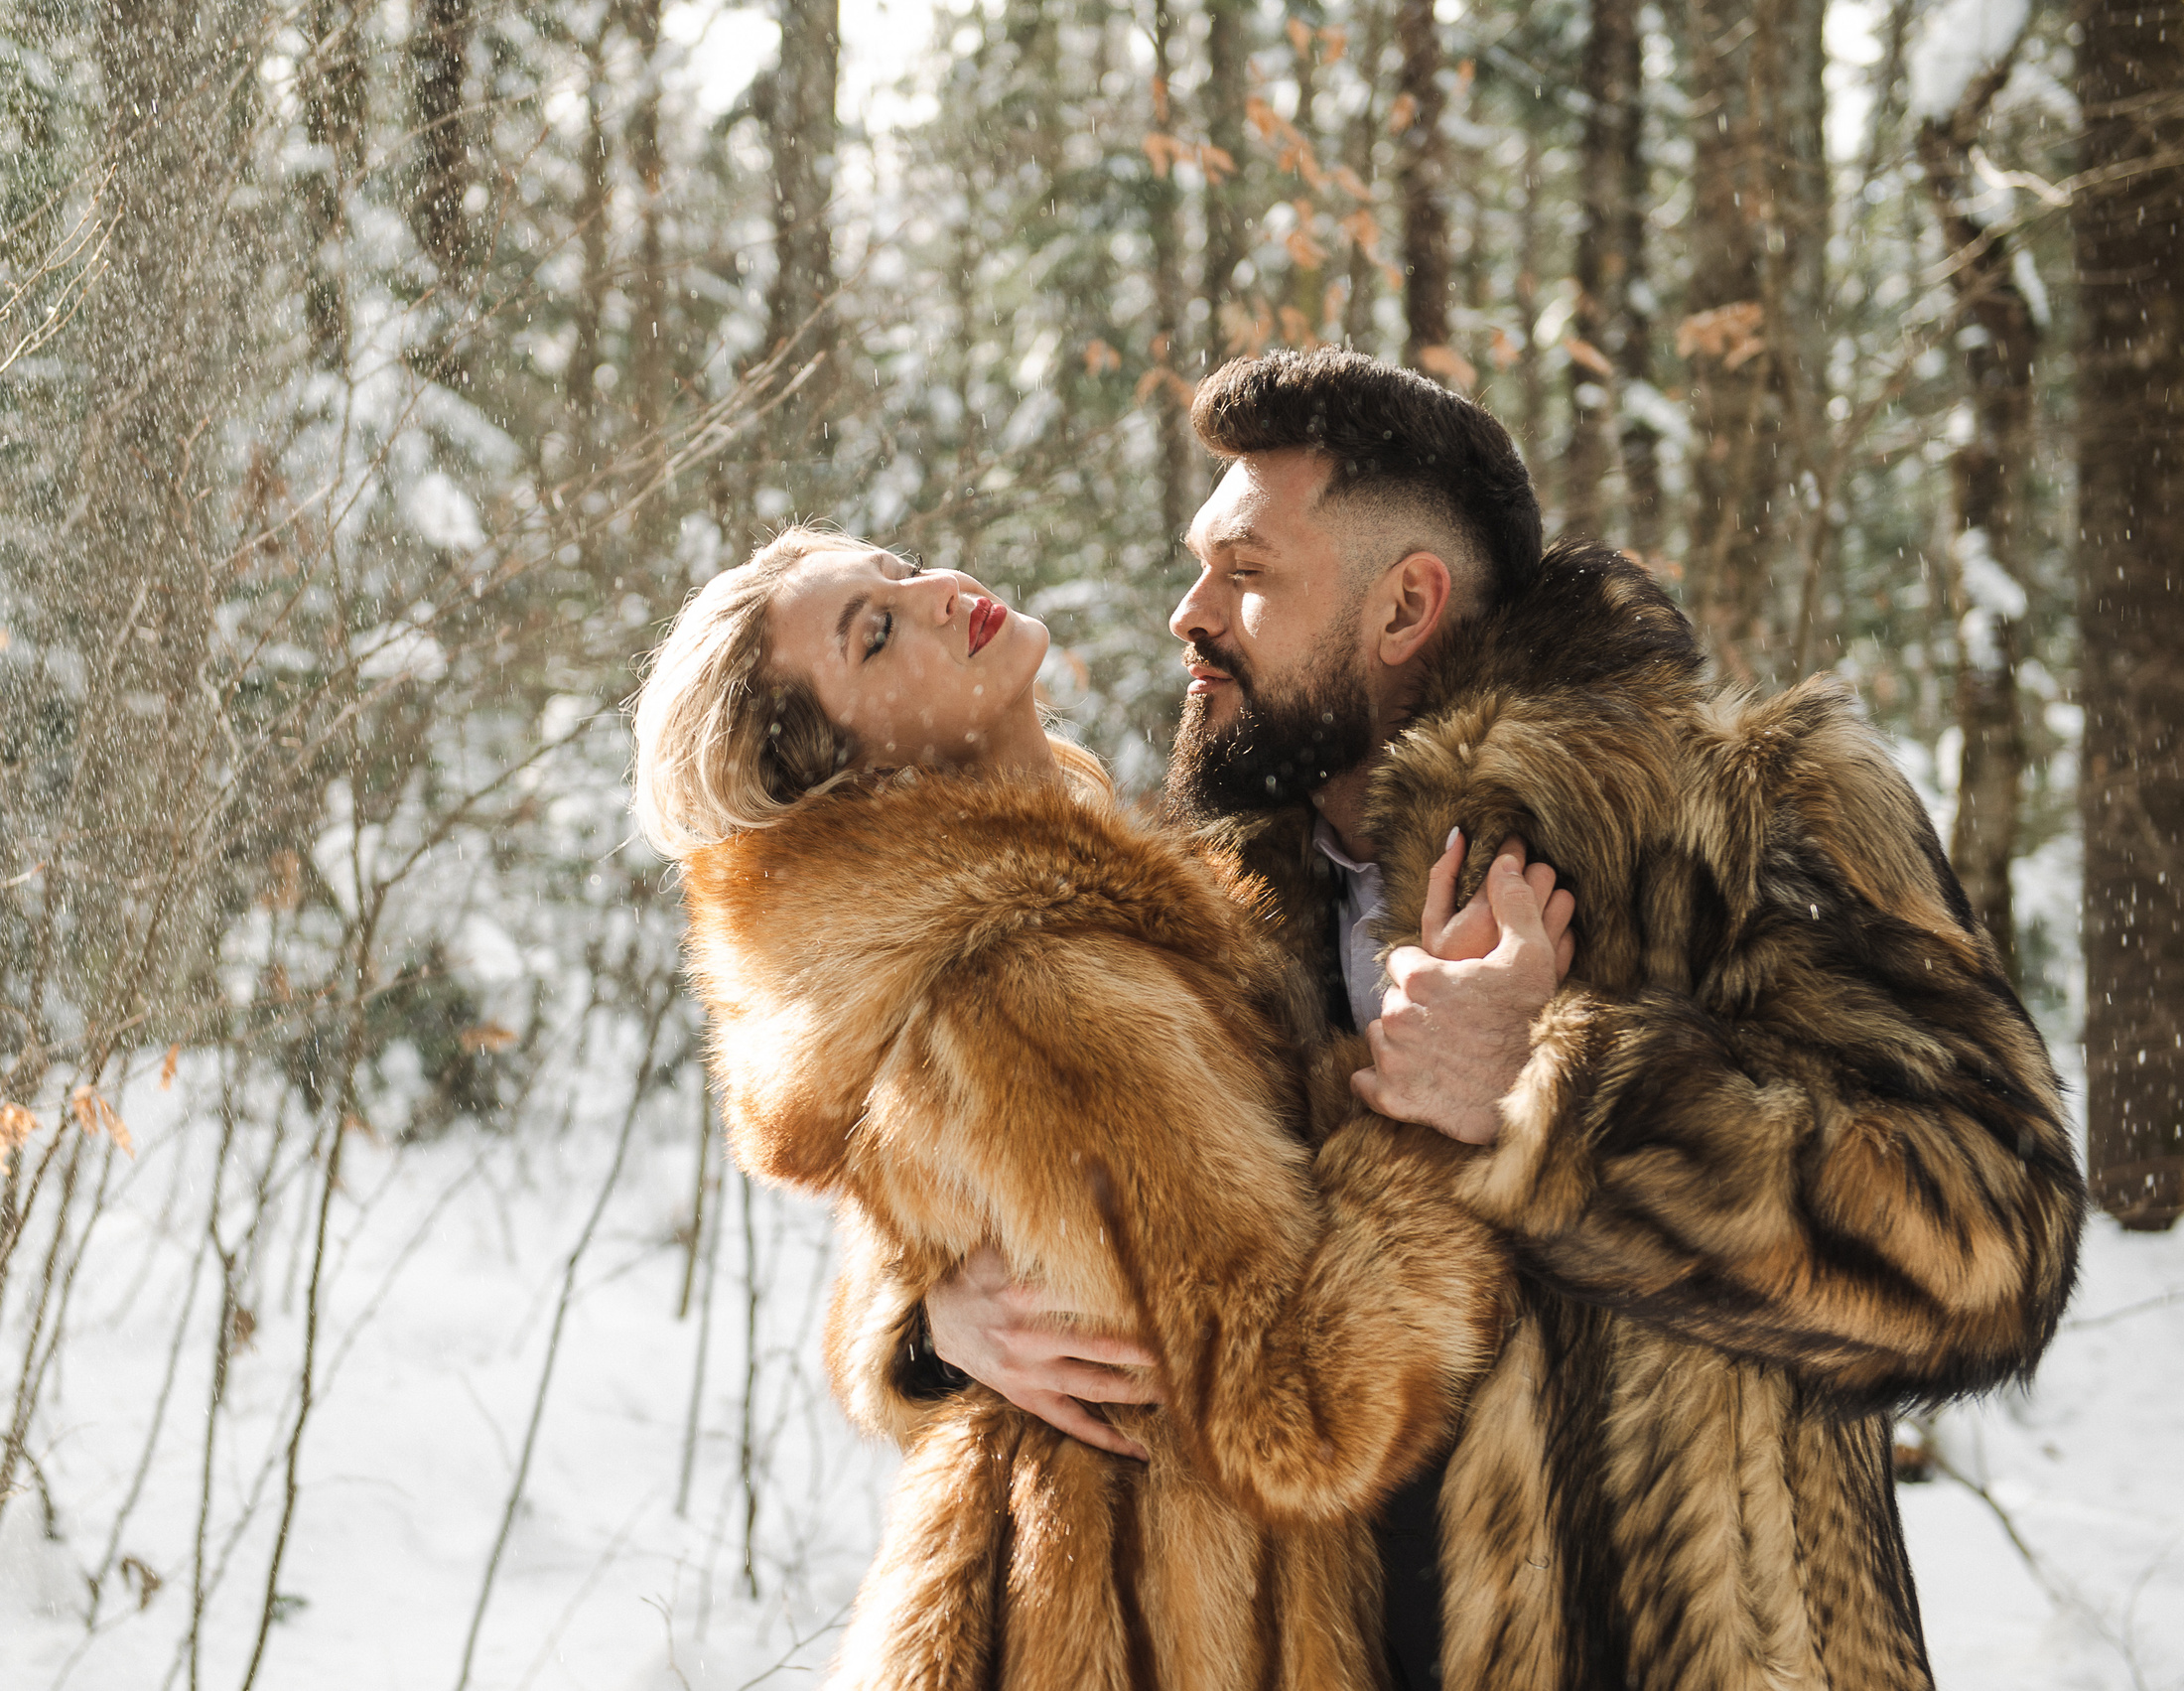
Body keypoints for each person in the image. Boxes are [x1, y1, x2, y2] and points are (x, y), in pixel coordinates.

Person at [900, 349, 2089, 1691]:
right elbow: (1033, 1171)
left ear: (1406, 603)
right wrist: (935, 1319)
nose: (1191, 611)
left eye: (1245, 569)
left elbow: (2003, 1236)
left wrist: (1559, 1099)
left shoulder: (1748, 816)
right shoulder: (1213, 912)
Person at [632, 527, 1512, 1689]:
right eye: (877, 630)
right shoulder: (1034, 992)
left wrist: (914, 1326)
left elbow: (991, 1225)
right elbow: (1297, 1411)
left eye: (896, 570)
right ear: (859, 778)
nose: (943, 593)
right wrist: (1433, 1112)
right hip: (1142, 1628)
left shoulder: (1044, 923)